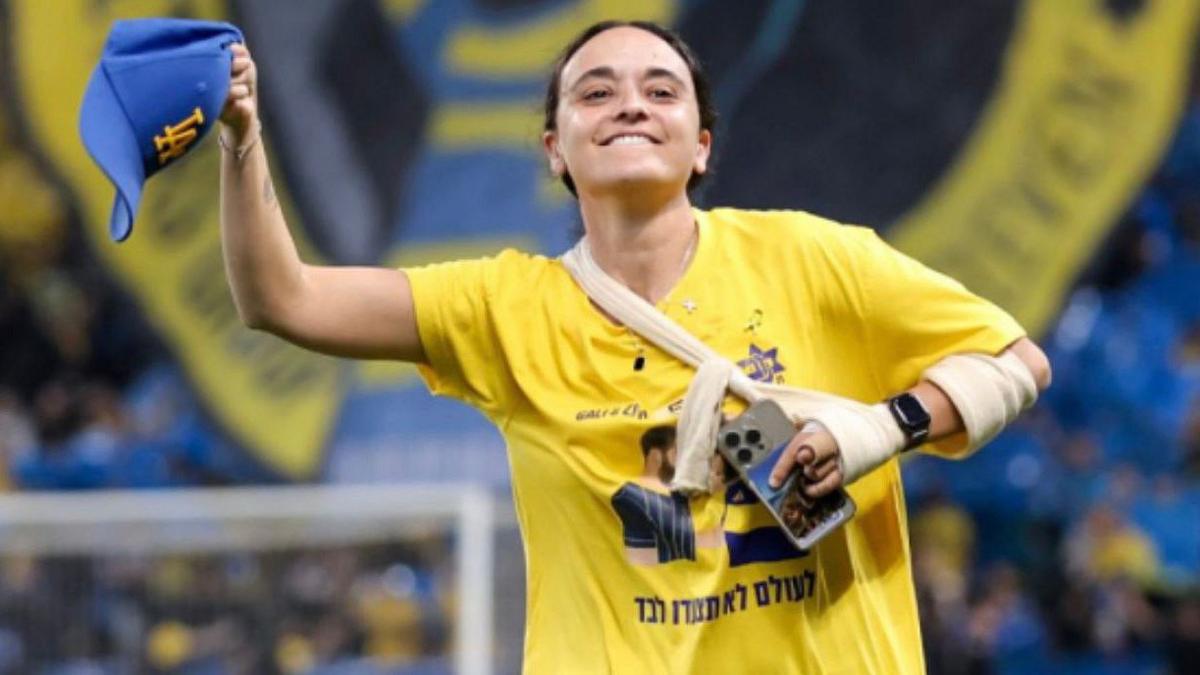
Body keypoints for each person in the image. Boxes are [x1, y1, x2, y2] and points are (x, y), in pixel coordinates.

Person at [217, 20, 1052, 673]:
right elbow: (282, 298)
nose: (631, 105)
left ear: (701, 147)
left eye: (662, 90)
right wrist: (243, 136)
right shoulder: (506, 308)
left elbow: (1014, 361)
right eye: (595, 93)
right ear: (555, 151)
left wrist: (883, 427)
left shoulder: (814, 259)